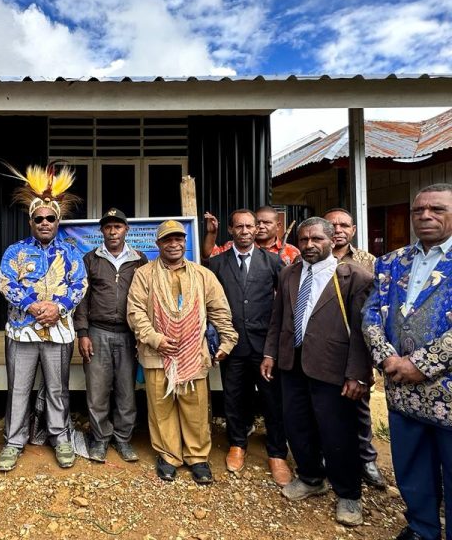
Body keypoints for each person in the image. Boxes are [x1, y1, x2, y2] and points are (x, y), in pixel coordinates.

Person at [261, 217, 373, 527]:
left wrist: (357, 374)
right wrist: (270, 353)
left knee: (337, 432)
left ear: (332, 240)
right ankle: (311, 477)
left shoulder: (354, 278)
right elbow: (277, 318)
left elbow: (363, 334)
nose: (310, 245)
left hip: (333, 368)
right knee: (296, 425)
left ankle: (349, 493)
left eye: (317, 239)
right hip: (291, 364)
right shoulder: (288, 274)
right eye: (304, 239)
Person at [362, 183, 452, 540]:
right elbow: (370, 316)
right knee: (412, 465)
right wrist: (388, 359)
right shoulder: (391, 261)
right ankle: (422, 527)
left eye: (438, 209)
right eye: (419, 210)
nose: (426, 216)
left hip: (446, 391)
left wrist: (422, 364)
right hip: (402, 389)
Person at [127, 220, 237, 484]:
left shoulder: (202, 275)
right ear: (158, 245)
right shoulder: (144, 274)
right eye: (167, 240)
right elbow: (135, 311)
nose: (174, 244)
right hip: (157, 355)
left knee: (195, 408)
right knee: (161, 409)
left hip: (193, 354)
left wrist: (226, 342)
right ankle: (168, 456)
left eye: (178, 239)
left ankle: (198, 458)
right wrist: (154, 338)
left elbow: (220, 311)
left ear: (185, 243)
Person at [0, 163, 87, 471]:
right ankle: (13, 441)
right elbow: (7, 282)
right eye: (39, 219)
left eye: (50, 218)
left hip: (59, 330)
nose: (45, 223)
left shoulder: (72, 251)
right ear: (31, 221)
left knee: (57, 388)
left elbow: (80, 284)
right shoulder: (15, 251)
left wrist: (58, 307)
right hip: (23, 330)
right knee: (18, 388)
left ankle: (60, 437)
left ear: (58, 220)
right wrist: (34, 306)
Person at [207, 209, 291, 486]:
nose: (244, 231)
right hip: (233, 345)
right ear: (230, 230)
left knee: (272, 400)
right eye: (239, 227)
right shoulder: (217, 264)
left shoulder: (274, 262)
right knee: (234, 397)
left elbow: (285, 305)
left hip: (266, 346)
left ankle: (277, 453)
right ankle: (237, 444)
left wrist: (276, 346)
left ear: (257, 230)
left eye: (249, 226)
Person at [73, 208, 148, 463]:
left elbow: (147, 298)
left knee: (126, 390)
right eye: (108, 227)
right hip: (98, 332)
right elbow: (81, 299)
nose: (113, 231)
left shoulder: (140, 259)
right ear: (102, 231)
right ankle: (100, 439)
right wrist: (82, 333)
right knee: (97, 391)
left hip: (128, 334)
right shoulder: (90, 259)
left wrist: (142, 334)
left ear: (126, 229)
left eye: (118, 226)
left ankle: (123, 439)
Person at [322, 207, 386, 490]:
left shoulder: (368, 261)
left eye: (343, 225)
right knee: (322, 405)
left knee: (358, 404)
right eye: (331, 225)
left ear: (353, 230)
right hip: (321, 344)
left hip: (355, 344)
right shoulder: (312, 258)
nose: (337, 229)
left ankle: (366, 459)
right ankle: (326, 457)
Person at [202, 206, 300, 265]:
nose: (261, 226)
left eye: (267, 223)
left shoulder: (291, 251)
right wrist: (212, 233)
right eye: (258, 222)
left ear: (278, 226)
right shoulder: (234, 246)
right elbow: (209, 255)